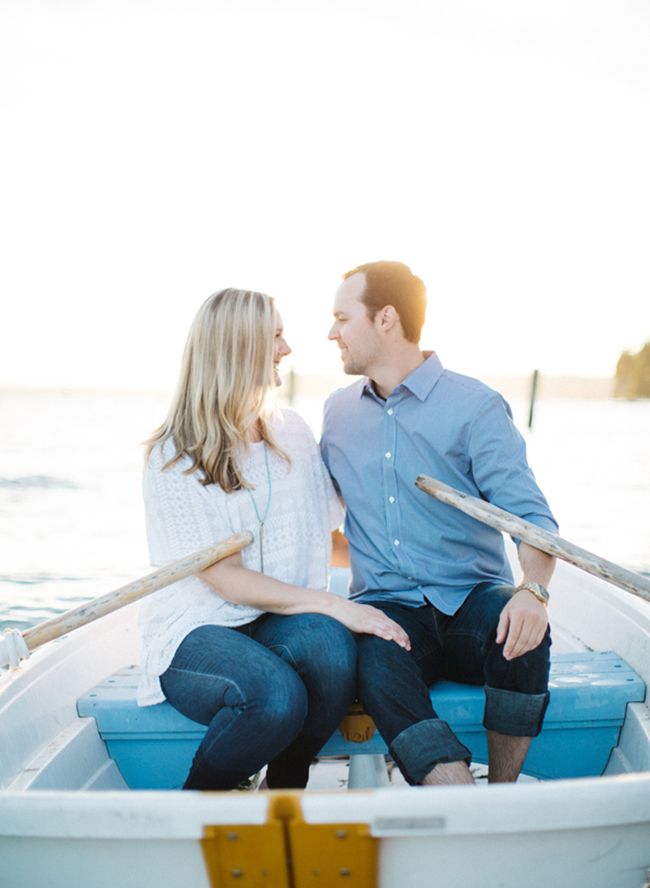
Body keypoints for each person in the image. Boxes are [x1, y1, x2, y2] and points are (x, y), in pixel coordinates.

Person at [138, 287, 408, 791]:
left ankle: (283, 790)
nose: (287, 349)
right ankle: (199, 806)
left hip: (276, 619)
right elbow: (226, 581)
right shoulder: (175, 455)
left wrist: (406, 571)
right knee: (275, 695)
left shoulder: (294, 436)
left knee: (331, 652)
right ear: (239, 347)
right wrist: (333, 602)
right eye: (276, 336)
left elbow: (324, 536)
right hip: (198, 628)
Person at [320, 261, 558, 787]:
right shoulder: (336, 415)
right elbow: (319, 521)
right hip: (389, 607)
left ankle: (502, 790)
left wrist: (533, 591)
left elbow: (532, 521)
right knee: (377, 662)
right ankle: (455, 789)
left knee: (524, 633)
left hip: (470, 601)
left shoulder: (474, 407)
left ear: (386, 319)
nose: (331, 332)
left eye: (341, 317)